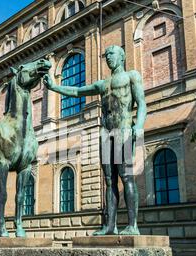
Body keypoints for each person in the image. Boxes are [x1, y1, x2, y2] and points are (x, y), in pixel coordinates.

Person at [44, 45, 147, 235]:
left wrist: (138, 127)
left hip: (124, 130)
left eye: (112, 54)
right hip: (106, 134)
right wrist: (53, 87)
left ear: (122, 56)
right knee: (109, 181)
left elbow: (141, 104)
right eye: (106, 55)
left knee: (126, 178)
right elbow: (77, 91)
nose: (108, 58)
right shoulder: (102, 84)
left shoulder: (132, 76)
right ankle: (110, 226)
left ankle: (133, 226)